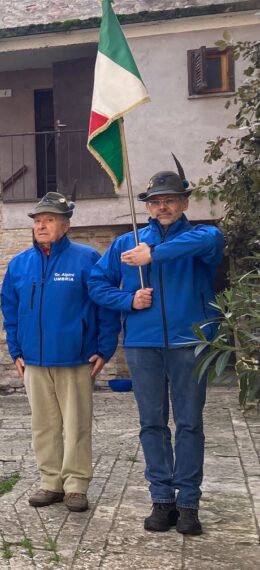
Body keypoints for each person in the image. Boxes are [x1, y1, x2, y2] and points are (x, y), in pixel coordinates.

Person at [88, 160, 224, 535]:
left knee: (189, 423)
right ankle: (161, 498)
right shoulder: (124, 243)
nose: (163, 206)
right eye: (156, 201)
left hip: (188, 342)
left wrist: (154, 254)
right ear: (147, 206)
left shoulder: (199, 238)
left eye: (171, 200)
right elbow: (97, 285)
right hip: (142, 343)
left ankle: (188, 502)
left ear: (183, 204)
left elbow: (212, 240)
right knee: (151, 423)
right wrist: (129, 301)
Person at [2, 192, 120, 513]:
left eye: (49, 220)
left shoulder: (87, 259)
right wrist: (15, 350)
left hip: (75, 357)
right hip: (34, 361)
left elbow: (105, 307)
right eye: (38, 220)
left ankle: (77, 485)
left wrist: (105, 348)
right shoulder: (19, 265)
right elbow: (10, 311)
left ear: (65, 225)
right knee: (43, 424)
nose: (41, 225)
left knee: (77, 423)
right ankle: (50, 482)